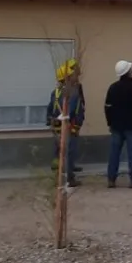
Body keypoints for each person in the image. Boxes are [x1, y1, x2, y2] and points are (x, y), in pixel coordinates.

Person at [104, 60, 132, 188]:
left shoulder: (112, 88)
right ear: (128, 72)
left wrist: (110, 123)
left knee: (114, 153)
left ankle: (111, 179)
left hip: (116, 126)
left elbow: (107, 107)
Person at [47, 58, 85, 187]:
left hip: (57, 126)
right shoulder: (72, 93)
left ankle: (58, 177)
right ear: (67, 77)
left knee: (59, 152)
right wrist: (76, 124)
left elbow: (50, 108)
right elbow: (74, 110)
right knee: (69, 152)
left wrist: (50, 121)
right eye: (72, 75)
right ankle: (69, 179)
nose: (75, 77)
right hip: (69, 125)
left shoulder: (56, 92)